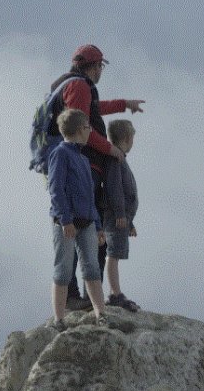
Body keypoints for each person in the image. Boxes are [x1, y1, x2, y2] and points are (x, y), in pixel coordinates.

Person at [48, 44, 145, 308]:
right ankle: (76, 297)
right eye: (100, 65)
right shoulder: (79, 87)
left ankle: (85, 296)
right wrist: (110, 148)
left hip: (84, 166)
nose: (101, 70)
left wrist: (124, 104)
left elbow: (94, 109)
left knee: (90, 231)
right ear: (94, 66)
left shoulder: (75, 85)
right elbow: (82, 126)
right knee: (86, 229)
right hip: (85, 168)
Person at [46, 108, 109, 331]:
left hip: (87, 222)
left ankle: (101, 313)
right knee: (63, 269)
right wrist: (65, 220)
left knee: (91, 268)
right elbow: (56, 189)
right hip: (67, 223)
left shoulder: (82, 158)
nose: (90, 131)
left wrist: (98, 226)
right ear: (81, 129)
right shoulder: (60, 153)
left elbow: (90, 195)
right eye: (88, 127)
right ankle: (59, 319)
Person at [103, 119, 141, 312]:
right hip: (116, 216)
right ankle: (114, 293)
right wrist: (119, 213)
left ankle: (114, 291)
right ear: (126, 138)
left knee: (115, 254)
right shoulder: (115, 159)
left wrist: (130, 222)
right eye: (132, 138)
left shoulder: (121, 159)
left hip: (123, 218)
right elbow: (115, 187)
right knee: (113, 254)